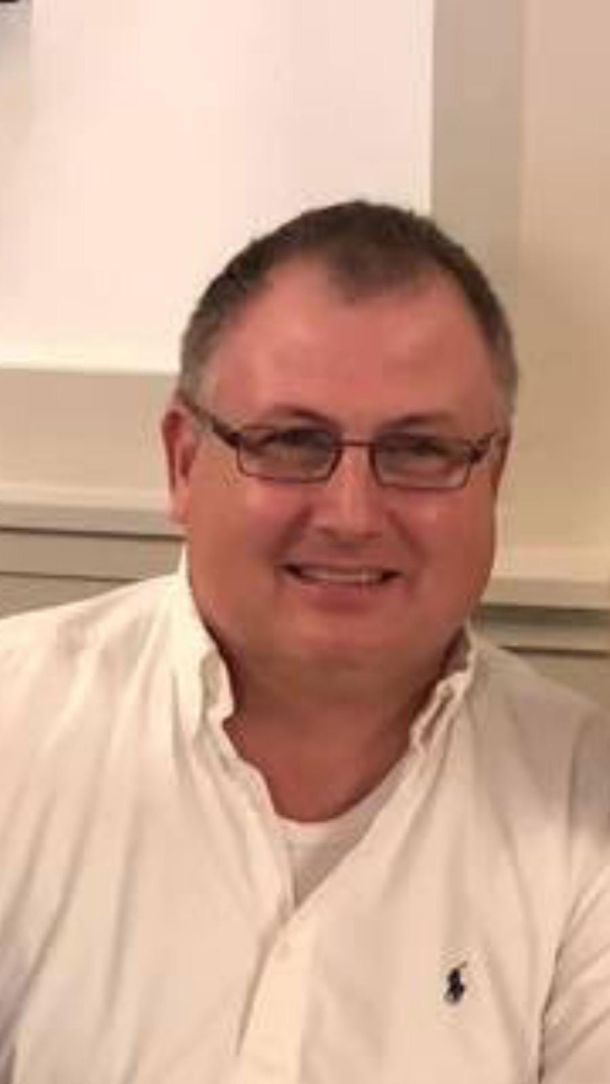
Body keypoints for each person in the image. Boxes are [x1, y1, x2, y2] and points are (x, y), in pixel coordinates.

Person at [0, 201, 609, 1084]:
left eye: (421, 450)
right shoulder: (14, 727)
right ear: (182, 461)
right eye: (291, 441)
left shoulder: (587, 803)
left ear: (493, 478)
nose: (352, 515)